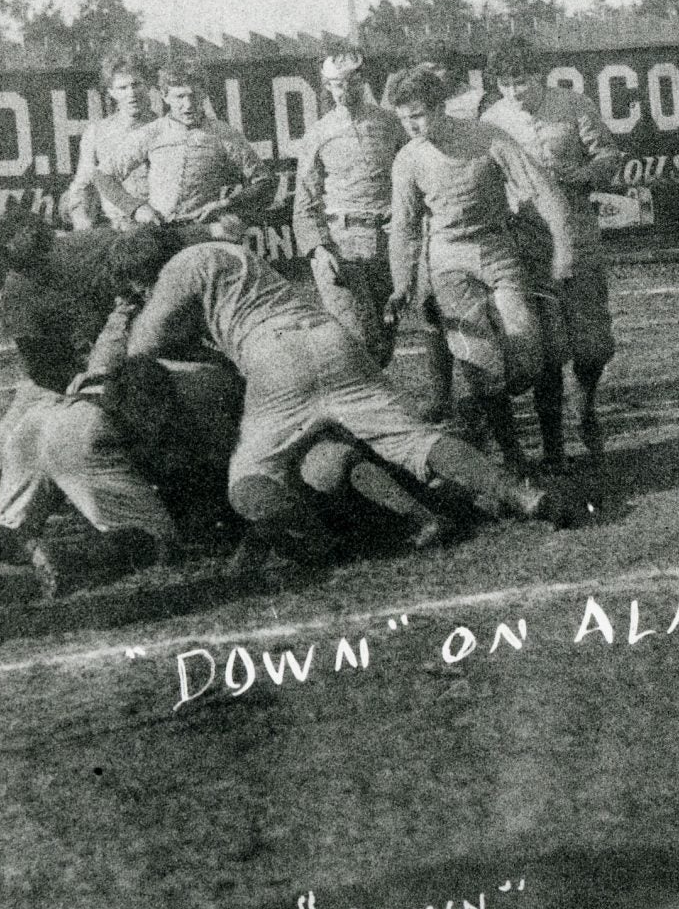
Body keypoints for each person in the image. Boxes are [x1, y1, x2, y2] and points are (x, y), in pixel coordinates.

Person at [107, 228, 573, 567]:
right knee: (411, 441)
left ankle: (321, 546)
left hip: (275, 358)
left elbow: (141, 348)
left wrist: (136, 309)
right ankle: (521, 495)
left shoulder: (177, 269)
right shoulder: (227, 251)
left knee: (249, 476)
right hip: (331, 338)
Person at [383, 67, 574, 470]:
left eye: (418, 115)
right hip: (449, 262)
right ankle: (512, 456)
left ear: (439, 107)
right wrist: (401, 284)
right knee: (478, 360)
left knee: (528, 347)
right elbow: (403, 226)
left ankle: (554, 449)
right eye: (403, 118)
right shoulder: (408, 159)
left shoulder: (486, 137)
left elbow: (541, 189)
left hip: (498, 250)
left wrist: (563, 250)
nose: (411, 125)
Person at [482, 36, 625, 465]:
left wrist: (581, 174)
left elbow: (609, 157)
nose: (514, 92)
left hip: (577, 232)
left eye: (521, 81)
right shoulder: (491, 120)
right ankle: (554, 446)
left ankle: (586, 400)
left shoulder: (574, 104)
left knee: (593, 345)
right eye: (505, 84)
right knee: (543, 346)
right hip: (526, 239)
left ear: (538, 75)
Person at [292, 48, 407, 369]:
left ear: (364, 80)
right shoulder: (317, 133)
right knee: (359, 341)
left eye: (350, 82)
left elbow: (410, 179)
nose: (343, 92)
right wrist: (318, 249)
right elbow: (304, 200)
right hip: (340, 247)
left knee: (383, 343)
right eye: (334, 85)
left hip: (387, 246)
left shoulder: (391, 125)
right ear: (326, 87)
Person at [94, 60, 274, 229]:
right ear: (165, 96)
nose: (188, 105)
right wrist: (136, 208)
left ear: (203, 93)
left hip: (203, 230)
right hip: (158, 230)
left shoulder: (224, 134)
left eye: (194, 95)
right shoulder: (152, 132)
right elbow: (103, 176)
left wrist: (226, 205)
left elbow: (265, 183)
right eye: (180, 96)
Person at [66, 50, 158, 229]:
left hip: (159, 224)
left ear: (148, 86)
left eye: (136, 84)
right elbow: (84, 184)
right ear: (111, 92)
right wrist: (82, 220)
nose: (131, 93)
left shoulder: (165, 128)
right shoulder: (97, 133)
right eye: (123, 88)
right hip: (116, 226)